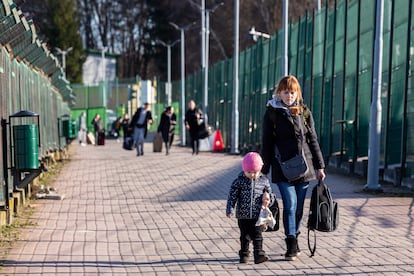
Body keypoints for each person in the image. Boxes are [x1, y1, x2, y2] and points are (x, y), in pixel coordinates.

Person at [261, 75, 326, 261]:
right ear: (279, 93)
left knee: (298, 208)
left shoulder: (304, 112)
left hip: (304, 168)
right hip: (282, 168)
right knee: (290, 205)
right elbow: (267, 142)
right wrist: (263, 171)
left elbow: (312, 139)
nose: (289, 95)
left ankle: (295, 236)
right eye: (285, 92)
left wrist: (320, 166)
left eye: (292, 92)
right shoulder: (272, 112)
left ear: (297, 93)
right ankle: (291, 243)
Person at [226, 152, 272, 264]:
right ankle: (244, 254)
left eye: (255, 172)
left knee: (257, 235)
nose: (252, 175)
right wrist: (230, 209)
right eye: (249, 172)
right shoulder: (239, 182)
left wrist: (268, 198)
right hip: (243, 215)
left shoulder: (264, 181)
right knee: (245, 236)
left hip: (257, 215)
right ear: (244, 170)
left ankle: (259, 253)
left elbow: (270, 195)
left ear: (260, 170)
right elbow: (232, 197)